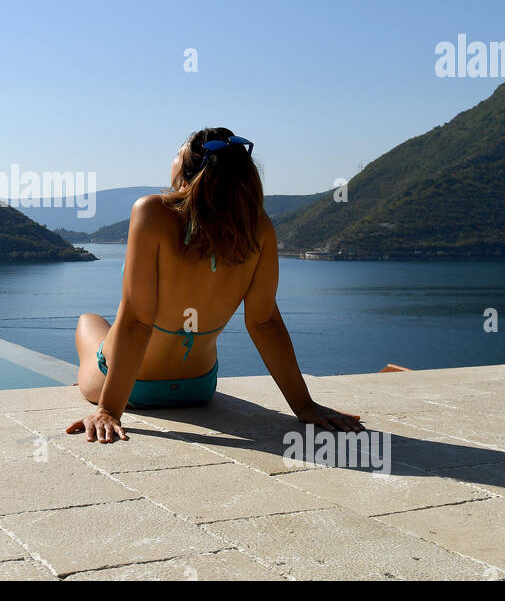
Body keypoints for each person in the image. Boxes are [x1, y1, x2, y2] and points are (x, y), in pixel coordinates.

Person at [68, 127, 365, 443]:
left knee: (90, 321)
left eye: (176, 153)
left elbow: (138, 323)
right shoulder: (258, 227)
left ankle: (105, 368)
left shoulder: (152, 211)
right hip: (198, 387)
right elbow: (264, 323)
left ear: (187, 170)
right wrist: (304, 405)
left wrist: (109, 410)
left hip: (133, 389)